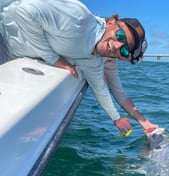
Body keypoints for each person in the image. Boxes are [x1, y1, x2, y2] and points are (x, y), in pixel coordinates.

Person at [0, 0, 158, 136]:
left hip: (12, 54)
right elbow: (20, 10)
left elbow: (100, 89)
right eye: (120, 36)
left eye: (125, 51)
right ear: (110, 22)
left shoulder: (94, 61)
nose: (116, 46)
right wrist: (54, 59)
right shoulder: (79, 18)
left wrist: (116, 118)